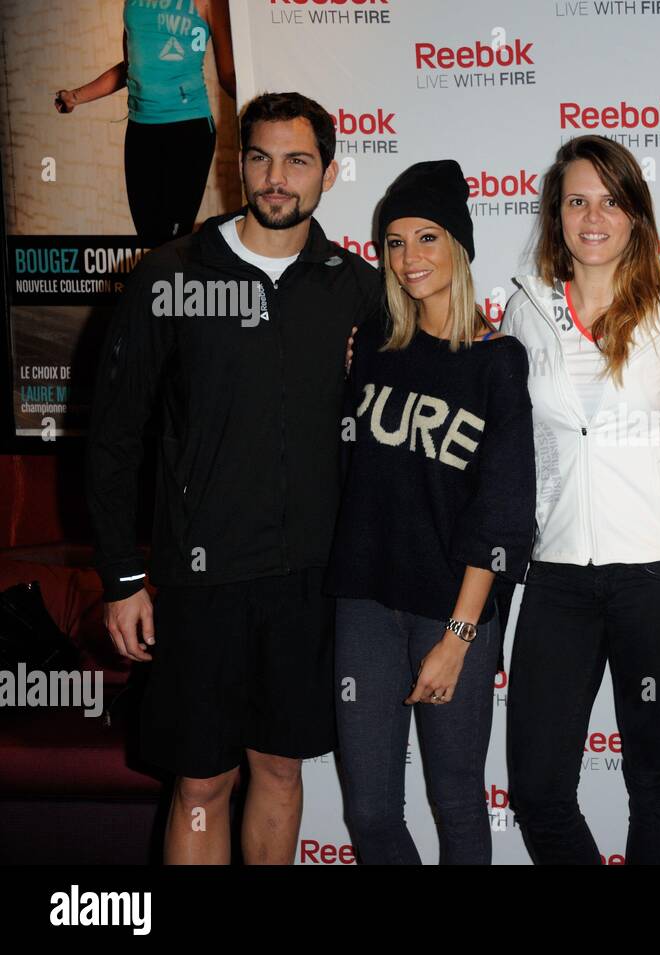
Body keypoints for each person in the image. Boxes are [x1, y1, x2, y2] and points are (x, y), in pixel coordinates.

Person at [87, 91, 380, 864]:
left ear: (329, 171)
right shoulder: (171, 275)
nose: (276, 178)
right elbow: (114, 436)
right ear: (237, 164)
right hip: (198, 583)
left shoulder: (357, 289)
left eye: (297, 160)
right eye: (260, 157)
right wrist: (122, 578)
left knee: (281, 770)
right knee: (200, 784)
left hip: (307, 582)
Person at [501, 134, 660, 865]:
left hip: (659, 576)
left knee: (652, 773)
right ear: (555, 214)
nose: (593, 217)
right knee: (536, 787)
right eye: (576, 201)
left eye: (611, 200)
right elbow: (513, 442)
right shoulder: (526, 310)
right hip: (560, 575)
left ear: (636, 214)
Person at [325, 161, 535, 865]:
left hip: (452, 607)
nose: (410, 257)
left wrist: (459, 635)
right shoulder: (372, 355)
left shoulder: (497, 361)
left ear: (460, 248)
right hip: (364, 601)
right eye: (394, 242)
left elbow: (504, 511)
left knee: (455, 801)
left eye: (427, 237)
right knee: (370, 809)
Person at [56, 0, 236, 246]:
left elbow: (229, 76)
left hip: (188, 131)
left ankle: (179, 283)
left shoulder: (209, 2)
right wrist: (75, 97)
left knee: (173, 240)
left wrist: (269, 114)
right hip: (141, 132)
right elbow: (131, 67)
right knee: (149, 238)